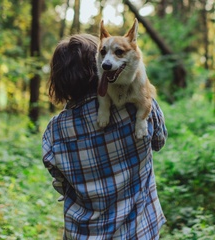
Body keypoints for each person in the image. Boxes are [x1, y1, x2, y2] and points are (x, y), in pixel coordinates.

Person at [42, 33, 168, 239]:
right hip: (139, 231)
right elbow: (159, 141)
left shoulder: (55, 131)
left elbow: (61, 183)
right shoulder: (137, 107)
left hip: (82, 233)